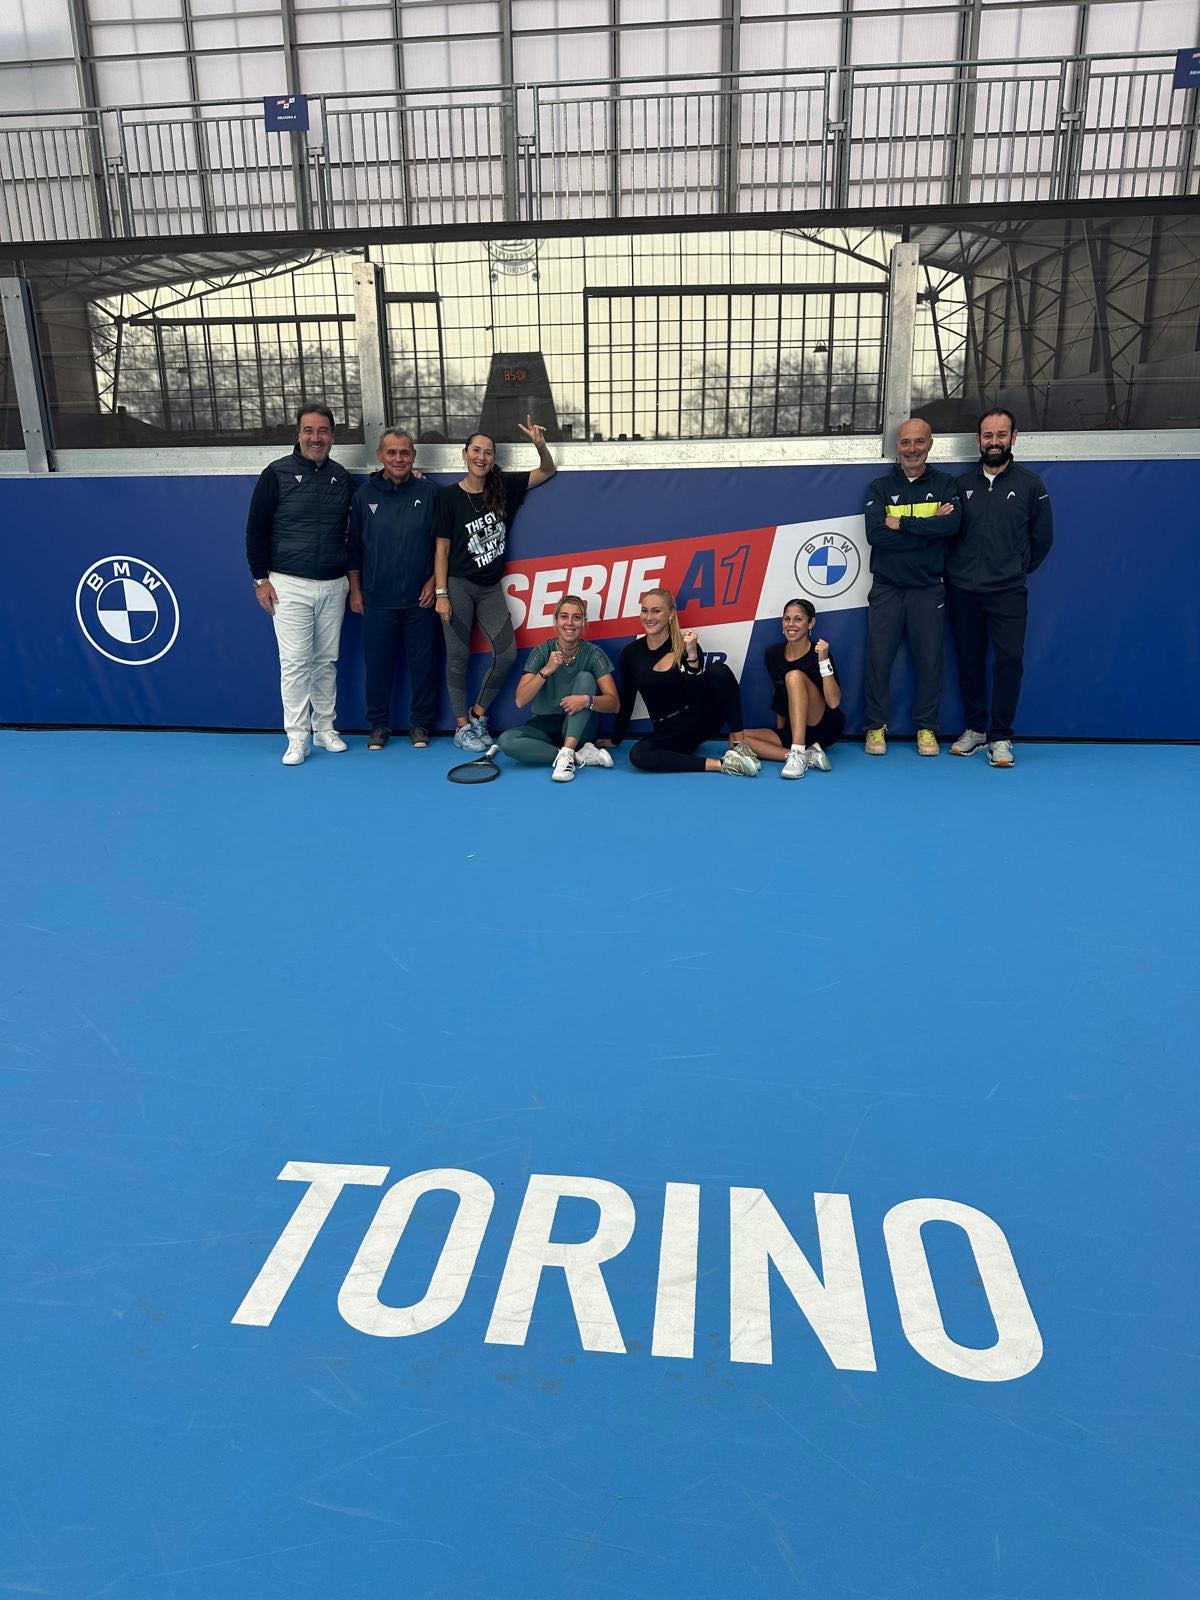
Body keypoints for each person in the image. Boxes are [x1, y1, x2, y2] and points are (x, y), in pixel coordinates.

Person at [434, 418, 556, 751]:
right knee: (458, 657)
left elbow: (547, 471)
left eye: (488, 452)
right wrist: (442, 593)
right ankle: (461, 727)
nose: (481, 457)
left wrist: (540, 444)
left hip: (490, 587)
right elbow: (441, 549)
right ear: (465, 454)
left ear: (493, 459)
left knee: (506, 653)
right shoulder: (448, 497)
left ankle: (477, 714)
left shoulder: (504, 488)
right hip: (458, 585)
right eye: (476, 450)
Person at [245, 403, 353, 765]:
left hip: (334, 584)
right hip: (288, 584)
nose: (315, 438)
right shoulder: (276, 473)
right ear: (299, 434)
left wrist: (411, 476)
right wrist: (260, 579)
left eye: (322, 431)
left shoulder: (341, 477)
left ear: (332, 436)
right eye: (309, 430)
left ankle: (324, 729)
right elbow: (256, 530)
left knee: (326, 662)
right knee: (294, 663)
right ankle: (296, 736)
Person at [946, 410, 1053, 768]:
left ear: (1013, 437)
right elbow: (949, 535)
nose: (994, 442)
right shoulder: (961, 485)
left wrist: (1014, 570)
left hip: (1008, 592)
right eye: (988, 435)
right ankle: (976, 729)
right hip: (964, 591)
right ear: (978, 440)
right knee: (969, 660)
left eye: (1001, 435)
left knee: (1009, 661)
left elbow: (1043, 538)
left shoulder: (1031, 485)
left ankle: (1001, 736)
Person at [862, 416, 961, 758]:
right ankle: (875, 726)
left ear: (930, 444)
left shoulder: (946, 484)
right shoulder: (879, 487)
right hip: (887, 588)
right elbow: (876, 535)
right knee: (878, 661)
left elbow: (951, 526)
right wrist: (928, 529)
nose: (912, 449)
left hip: (928, 589)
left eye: (919, 441)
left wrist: (902, 524)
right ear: (897, 446)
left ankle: (926, 727)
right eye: (905, 442)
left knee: (930, 661)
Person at [347, 429, 440, 752]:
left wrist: (434, 582)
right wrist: (355, 590)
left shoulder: (430, 493)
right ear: (380, 455)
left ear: (413, 456)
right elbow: (353, 548)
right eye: (392, 453)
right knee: (377, 666)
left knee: (424, 666)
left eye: (404, 453)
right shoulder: (363, 496)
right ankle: (378, 724)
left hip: (421, 600)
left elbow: (443, 545)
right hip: (377, 598)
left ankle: (421, 723)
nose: (398, 459)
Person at [604, 587, 761, 776]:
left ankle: (739, 746)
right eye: (644, 611)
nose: (649, 617)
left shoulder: (687, 645)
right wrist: (615, 739)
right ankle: (723, 765)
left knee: (718, 670)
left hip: (700, 721)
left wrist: (692, 656)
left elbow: (698, 694)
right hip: (668, 732)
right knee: (637, 755)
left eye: (656, 611)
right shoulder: (631, 653)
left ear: (671, 614)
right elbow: (627, 699)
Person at [497, 595, 620, 782]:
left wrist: (587, 700)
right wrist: (546, 670)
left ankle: (568, 750)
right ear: (556, 621)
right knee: (506, 741)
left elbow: (614, 704)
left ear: (584, 623)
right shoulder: (542, 651)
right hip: (545, 727)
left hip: (580, 729)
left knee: (585, 677)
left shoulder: (593, 653)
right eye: (564, 616)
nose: (569, 623)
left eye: (576, 617)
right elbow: (520, 700)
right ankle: (575, 756)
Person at [742, 598, 845, 778]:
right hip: (796, 730)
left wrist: (823, 661)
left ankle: (797, 752)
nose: (791, 624)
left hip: (824, 727)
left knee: (794, 676)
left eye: (798, 619)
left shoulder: (819, 654)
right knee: (737, 740)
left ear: (810, 623)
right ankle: (804, 756)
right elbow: (779, 694)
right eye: (787, 619)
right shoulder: (773, 654)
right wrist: (782, 733)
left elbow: (834, 702)